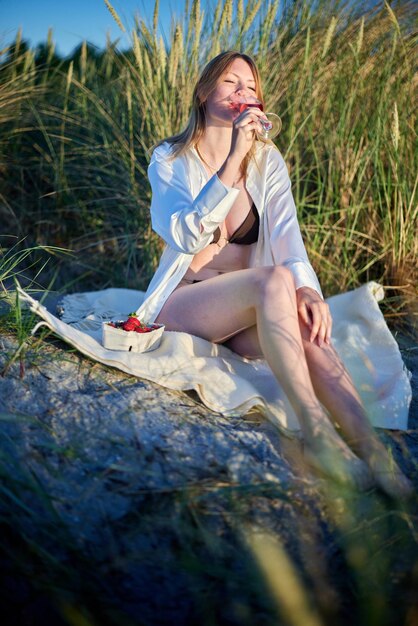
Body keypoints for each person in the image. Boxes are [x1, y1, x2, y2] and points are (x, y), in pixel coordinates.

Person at [135, 50, 412, 498]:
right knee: (272, 281)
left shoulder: (267, 161)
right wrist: (231, 161)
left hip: (242, 313)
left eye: (251, 87)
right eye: (231, 83)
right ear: (204, 92)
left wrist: (308, 289)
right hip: (184, 304)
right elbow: (184, 234)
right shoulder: (169, 158)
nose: (243, 93)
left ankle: (373, 452)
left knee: (305, 324)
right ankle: (317, 435)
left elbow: (287, 237)